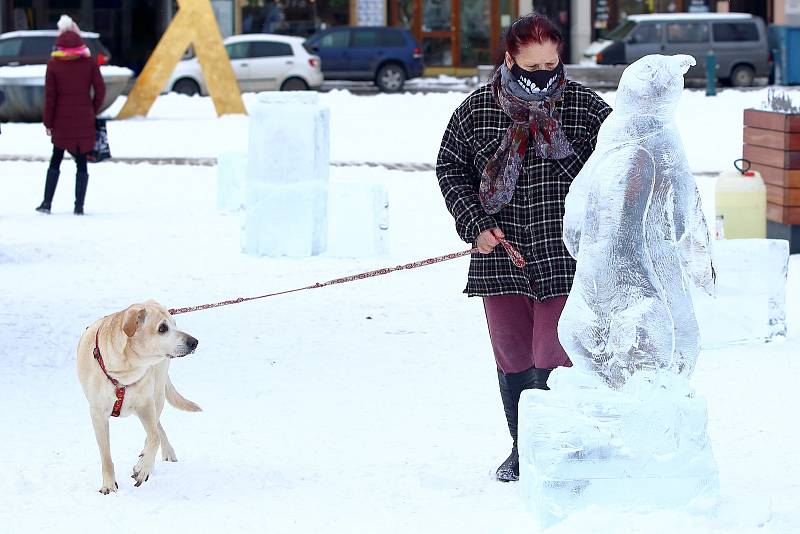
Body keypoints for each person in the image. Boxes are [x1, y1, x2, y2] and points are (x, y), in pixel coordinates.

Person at [436, 13, 612, 482]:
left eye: (551, 66)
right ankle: (523, 446)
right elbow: (450, 169)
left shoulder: (587, 109)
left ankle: (560, 448)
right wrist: (474, 224)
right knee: (513, 356)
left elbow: (617, 175)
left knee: (551, 353)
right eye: (531, 69)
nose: (543, 78)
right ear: (510, 58)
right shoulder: (476, 111)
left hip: (566, 257)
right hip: (501, 254)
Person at [36, 15, 105, 215]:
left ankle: (47, 203)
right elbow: (100, 91)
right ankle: (79, 206)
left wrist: (48, 122)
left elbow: (50, 98)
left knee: (56, 158)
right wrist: (92, 109)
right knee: (82, 160)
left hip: (60, 121)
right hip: (84, 117)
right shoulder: (89, 63)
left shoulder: (53, 65)